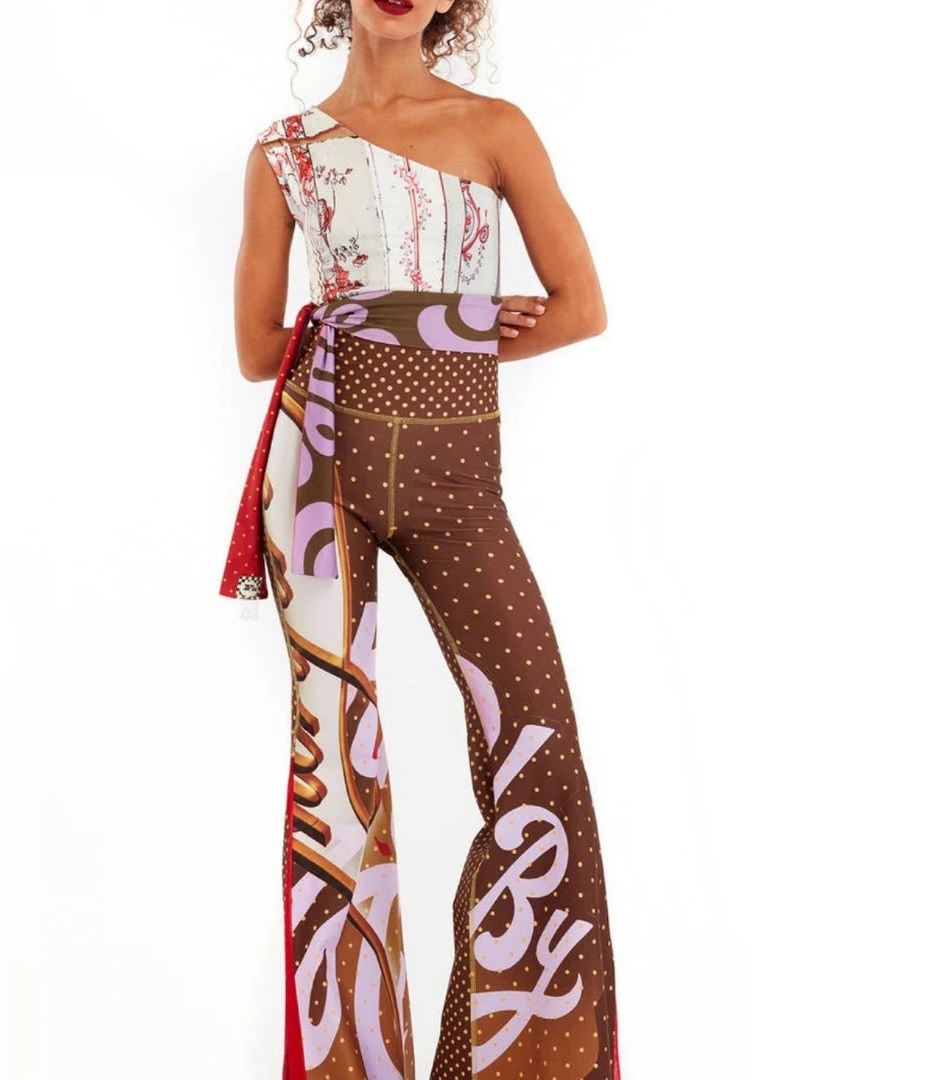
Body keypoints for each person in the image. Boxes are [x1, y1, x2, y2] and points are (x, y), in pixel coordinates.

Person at [218, 2, 621, 1077]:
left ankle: (520, 1058)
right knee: (337, 791)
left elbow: (580, 307)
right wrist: (400, 324)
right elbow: (258, 349)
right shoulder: (285, 153)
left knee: (536, 751)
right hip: (321, 476)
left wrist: (442, 328)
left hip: (457, 481)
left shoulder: (494, 129)